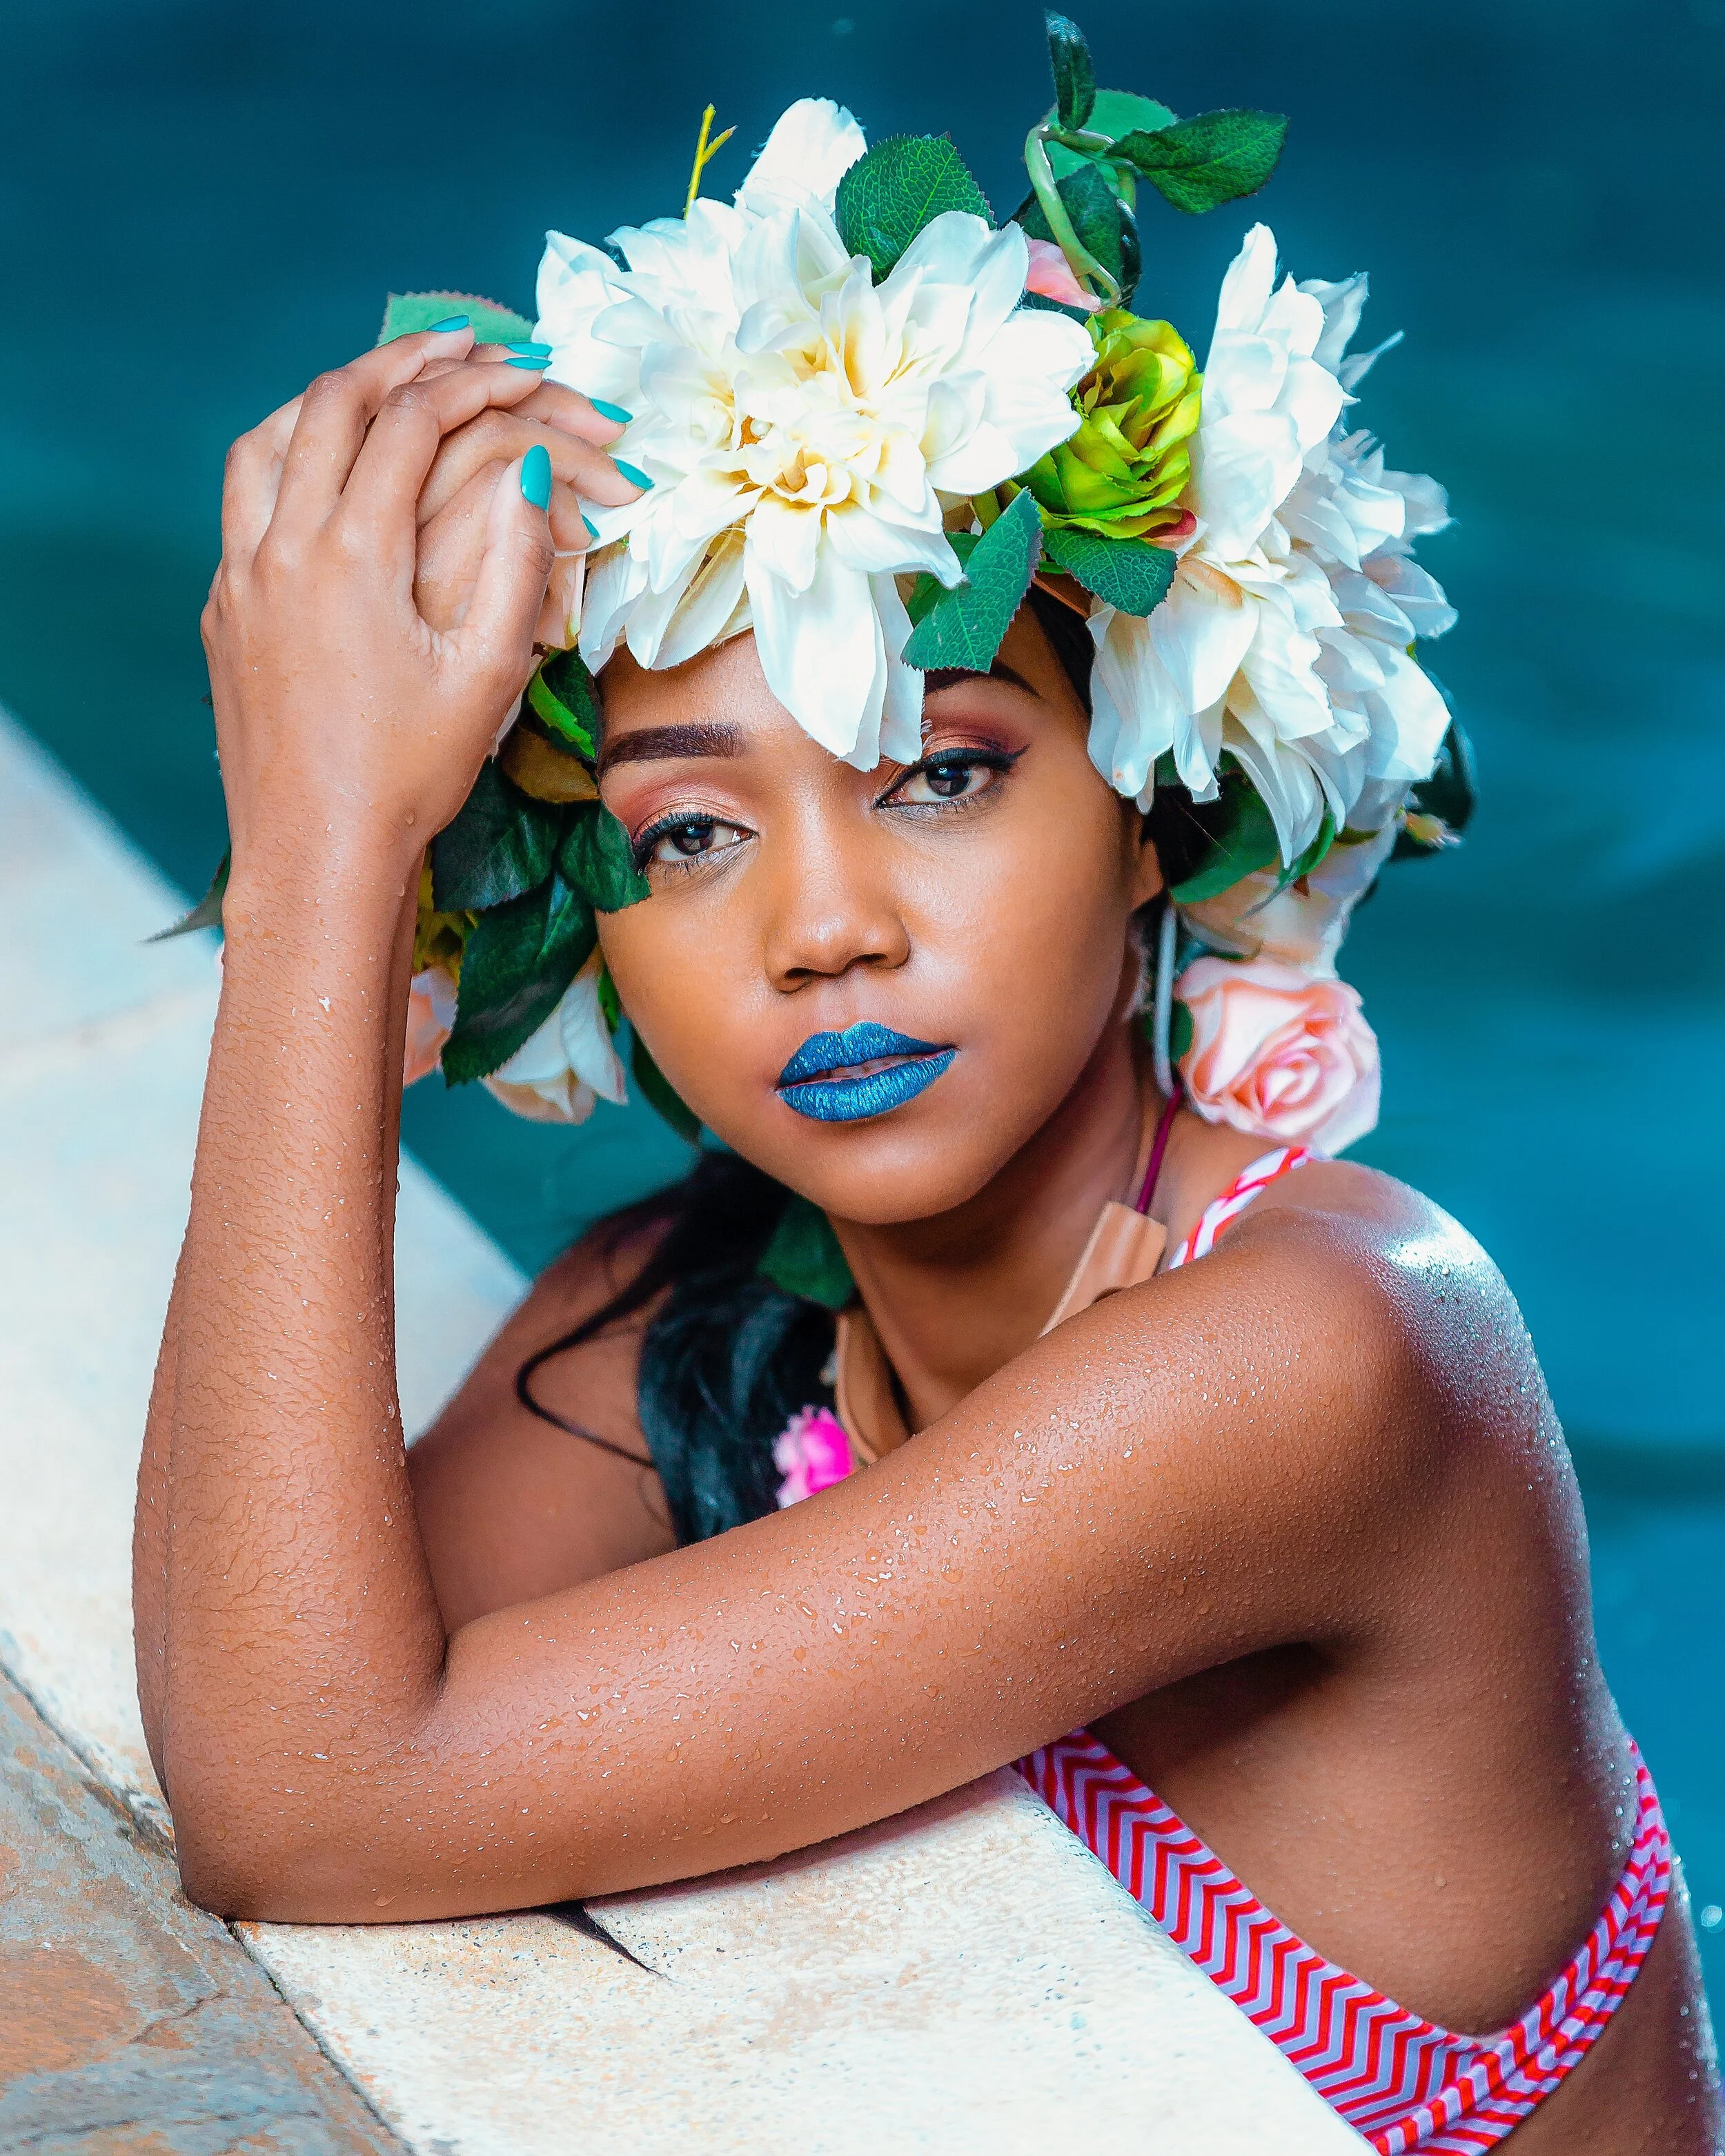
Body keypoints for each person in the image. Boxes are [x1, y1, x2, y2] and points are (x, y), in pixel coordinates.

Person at [134, 33, 1719, 2153]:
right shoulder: (715, 1323)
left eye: (941, 774)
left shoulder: (1326, 1354)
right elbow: (278, 1720)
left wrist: (321, 844)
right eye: (688, 833)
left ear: (1157, 810)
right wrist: (352, 838)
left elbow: (308, 1792)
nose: (822, 929)